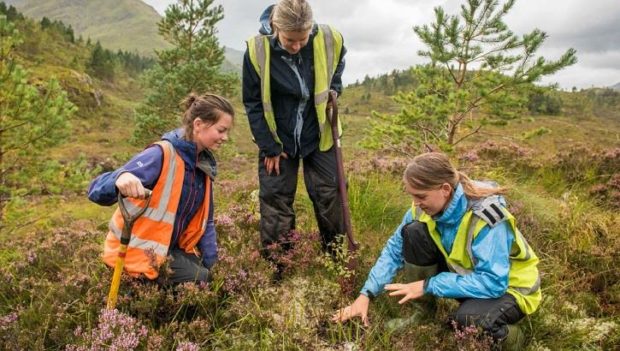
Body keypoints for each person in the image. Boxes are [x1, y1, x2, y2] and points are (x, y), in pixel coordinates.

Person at [332, 152, 541, 350]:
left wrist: (429, 285)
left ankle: (516, 338)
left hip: (510, 289)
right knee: (413, 232)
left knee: (466, 322)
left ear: (445, 189)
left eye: (421, 196)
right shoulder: (422, 208)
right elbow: (394, 250)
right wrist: (366, 294)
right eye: (412, 195)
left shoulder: (485, 217)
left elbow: (494, 283)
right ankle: (422, 315)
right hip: (468, 277)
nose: (415, 203)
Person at [88, 93, 234, 284]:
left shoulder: (203, 166)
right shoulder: (161, 154)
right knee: (202, 280)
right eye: (221, 130)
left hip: (168, 251)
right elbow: (96, 189)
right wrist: (120, 178)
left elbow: (207, 223)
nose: (225, 137)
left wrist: (213, 264)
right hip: (136, 253)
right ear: (198, 124)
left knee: (212, 278)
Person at [242, 0, 347, 260]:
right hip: (278, 139)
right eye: (290, 39)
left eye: (302, 39)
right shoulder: (257, 50)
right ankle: (279, 264)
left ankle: (335, 257)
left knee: (330, 193)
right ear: (276, 26)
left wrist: (335, 87)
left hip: (320, 133)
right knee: (276, 199)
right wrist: (269, 146)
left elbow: (338, 63)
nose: (297, 45)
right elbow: (253, 102)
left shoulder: (330, 38)